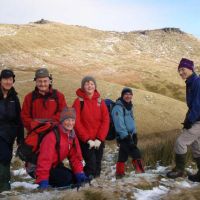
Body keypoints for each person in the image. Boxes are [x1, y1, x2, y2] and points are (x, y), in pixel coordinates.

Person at [35, 107, 88, 189]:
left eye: (72, 120)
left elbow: (75, 158)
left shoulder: (72, 136)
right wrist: (43, 180)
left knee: (74, 179)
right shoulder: (52, 136)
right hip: (38, 167)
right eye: (67, 120)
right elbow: (44, 160)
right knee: (66, 180)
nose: (70, 123)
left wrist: (79, 174)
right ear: (62, 121)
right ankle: (51, 189)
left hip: (54, 165)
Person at [167, 58, 200, 181]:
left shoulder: (197, 82)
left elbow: (198, 105)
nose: (181, 72)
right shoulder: (191, 82)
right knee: (197, 147)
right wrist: (187, 119)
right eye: (179, 70)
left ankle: (179, 170)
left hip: (198, 120)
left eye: (183, 69)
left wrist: (190, 120)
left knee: (180, 142)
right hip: (196, 119)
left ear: (190, 68)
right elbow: (192, 106)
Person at [73, 76, 109, 178]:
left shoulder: (100, 101)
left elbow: (106, 120)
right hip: (85, 141)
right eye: (87, 83)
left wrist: (99, 139)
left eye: (92, 84)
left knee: (98, 164)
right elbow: (76, 122)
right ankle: (83, 183)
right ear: (83, 86)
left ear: (95, 86)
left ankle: (94, 187)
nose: (90, 86)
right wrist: (87, 139)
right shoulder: (78, 101)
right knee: (91, 164)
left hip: (98, 140)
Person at [111, 87, 145, 178]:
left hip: (131, 135)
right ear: (122, 95)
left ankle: (119, 174)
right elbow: (119, 125)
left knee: (123, 155)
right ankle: (141, 175)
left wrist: (135, 134)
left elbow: (131, 121)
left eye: (130, 94)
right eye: (126, 94)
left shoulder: (129, 106)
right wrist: (126, 137)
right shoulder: (118, 107)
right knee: (136, 153)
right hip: (124, 136)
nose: (128, 96)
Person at [0, 69, 24, 192]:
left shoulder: (14, 97)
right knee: (3, 158)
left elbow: (19, 120)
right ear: (0, 80)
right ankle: (4, 188)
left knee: (6, 159)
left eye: (10, 80)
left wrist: (20, 138)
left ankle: (5, 189)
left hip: (9, 136)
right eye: (5, 79)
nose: (8, 82)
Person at [21, 68, 67, 132]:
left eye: (45, 81)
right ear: (36, 82)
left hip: (54, 133)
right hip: (35, 133)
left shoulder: (59, 96)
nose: (42, 84)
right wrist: (35, 125)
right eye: (39, 81)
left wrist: (50, 123)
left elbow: (63, 112)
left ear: (49, 81)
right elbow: (24, 116)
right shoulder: (29, 97)